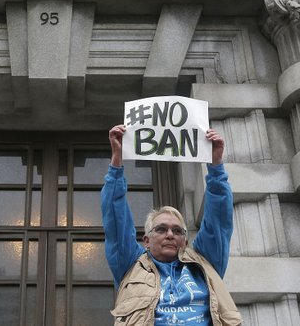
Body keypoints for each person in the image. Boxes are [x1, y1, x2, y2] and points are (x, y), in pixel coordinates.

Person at [101, 124, 242, 326]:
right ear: (146, 240)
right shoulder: (130, 264)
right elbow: (115, 217)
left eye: (177, 231)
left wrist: (216, 165)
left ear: (185, 241)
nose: (170, 234)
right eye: (161, 229)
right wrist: (117, 161)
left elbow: (219, 219)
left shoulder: (205, 262)